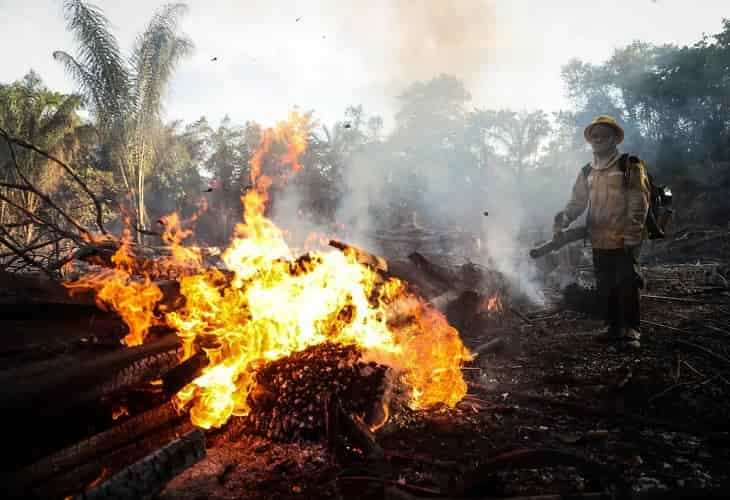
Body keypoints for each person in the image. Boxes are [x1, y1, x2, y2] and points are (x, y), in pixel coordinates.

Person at [554, 116, 650, 349]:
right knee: (606, 285)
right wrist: (564, 219)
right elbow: (577, 202)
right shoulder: (587, 171)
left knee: (627, 282)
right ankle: (613, 327)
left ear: (615, 139)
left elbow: (640, 201)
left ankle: (631, 330)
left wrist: (633, 234)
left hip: (625, 237)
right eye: (594, 136)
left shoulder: (629, 164)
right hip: (599, 239)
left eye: (603, 136)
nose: (598, 140)